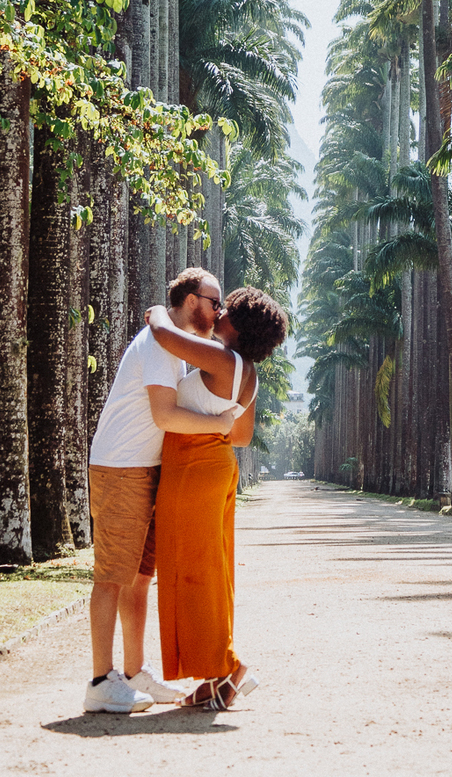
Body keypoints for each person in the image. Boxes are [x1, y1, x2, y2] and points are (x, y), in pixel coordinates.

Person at [84, 266, 235, 714]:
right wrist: (218, 425)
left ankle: (134, 673)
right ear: (191, 300)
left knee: (139, 578)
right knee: (112, 575)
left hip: (146, 468)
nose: (218, 311)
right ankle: (99, 681)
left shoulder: (174, 344)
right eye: (214, 302)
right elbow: (165, 415)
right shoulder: (160, 344)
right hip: (121, 467)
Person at [146, 285, 289, 710]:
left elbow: (164, 335)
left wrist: (156, 312)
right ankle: (216, 676)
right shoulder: (248, 373)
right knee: (209, 572)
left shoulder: (223, 360)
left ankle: (229, 666)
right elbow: (240, 436)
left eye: (227, 308)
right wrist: (212, 417)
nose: (220, 311)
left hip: (194, 468)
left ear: (238, 324)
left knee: (193, 574)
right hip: (216, 466)